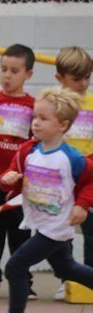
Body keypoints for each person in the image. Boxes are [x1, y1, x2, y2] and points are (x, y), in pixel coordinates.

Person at [0, 87, 93, 313]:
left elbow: (89, 182)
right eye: (35, 116)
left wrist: (81, 205)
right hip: (39, 221)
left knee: (15, 266)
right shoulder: (28, 151)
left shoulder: (73, 158)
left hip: (56, 227)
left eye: (44, 118)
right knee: (67, 269)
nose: (35, 122)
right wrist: (7, 179)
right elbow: (11, 178)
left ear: (63, 125)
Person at [0, 44, 37, 300]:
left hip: (20, 182)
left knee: (21, 234)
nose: (7, 75)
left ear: (28, 74)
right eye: (3, 69)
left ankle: (23, 280)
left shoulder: (35, 105)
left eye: (14, 70)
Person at [55, 46, 93, 299]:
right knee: (60, 229)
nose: (83, 84)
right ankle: (66, 279)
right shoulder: (53, 102)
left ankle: (88, 277)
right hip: (60, 175)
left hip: (88, 173)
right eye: (77, 78)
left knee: (91, 229)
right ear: (60, 78)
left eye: (87, 77)